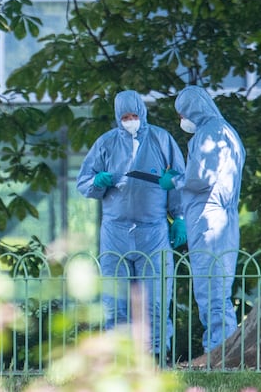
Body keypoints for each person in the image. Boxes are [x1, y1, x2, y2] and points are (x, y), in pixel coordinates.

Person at [77, 90, 186, 362]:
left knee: (156, 300)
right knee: (116, 301)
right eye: (125, 117)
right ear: (117, 117)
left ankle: (157, 358)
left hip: (155, 230)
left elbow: (180, 178)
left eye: (134, 116)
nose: (130, 121)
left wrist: (179, 217)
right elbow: (84, 182)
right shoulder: (105, 143)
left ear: (142, 113)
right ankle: (119, 359)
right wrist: (97, 183)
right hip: (115, 232)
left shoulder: (161, 140)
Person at [159, 85, 245, 353]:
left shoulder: (209, 133)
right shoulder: (229, 131)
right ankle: (225, 350)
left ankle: (218, 354)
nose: (182, 120)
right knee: (220, 288)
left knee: (211, 291)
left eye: (182, 113)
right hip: (224, 219)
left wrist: (174, 179)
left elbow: (200, 177)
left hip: (209, 220)